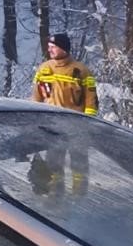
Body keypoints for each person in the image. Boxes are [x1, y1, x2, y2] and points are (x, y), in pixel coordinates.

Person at [30, 33, 97, 193]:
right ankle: (55, 196)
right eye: (49, 47)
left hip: (76, 127)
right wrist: (33, 121)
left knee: (79, 164)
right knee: (53, 163)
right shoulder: (44, 69)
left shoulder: (81, 71)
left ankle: (79, 196)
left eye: (54, 47)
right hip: (52, 127)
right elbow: (36, 98)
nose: (50, 50)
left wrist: (86, 122)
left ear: (64, 48)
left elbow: (91, 100)